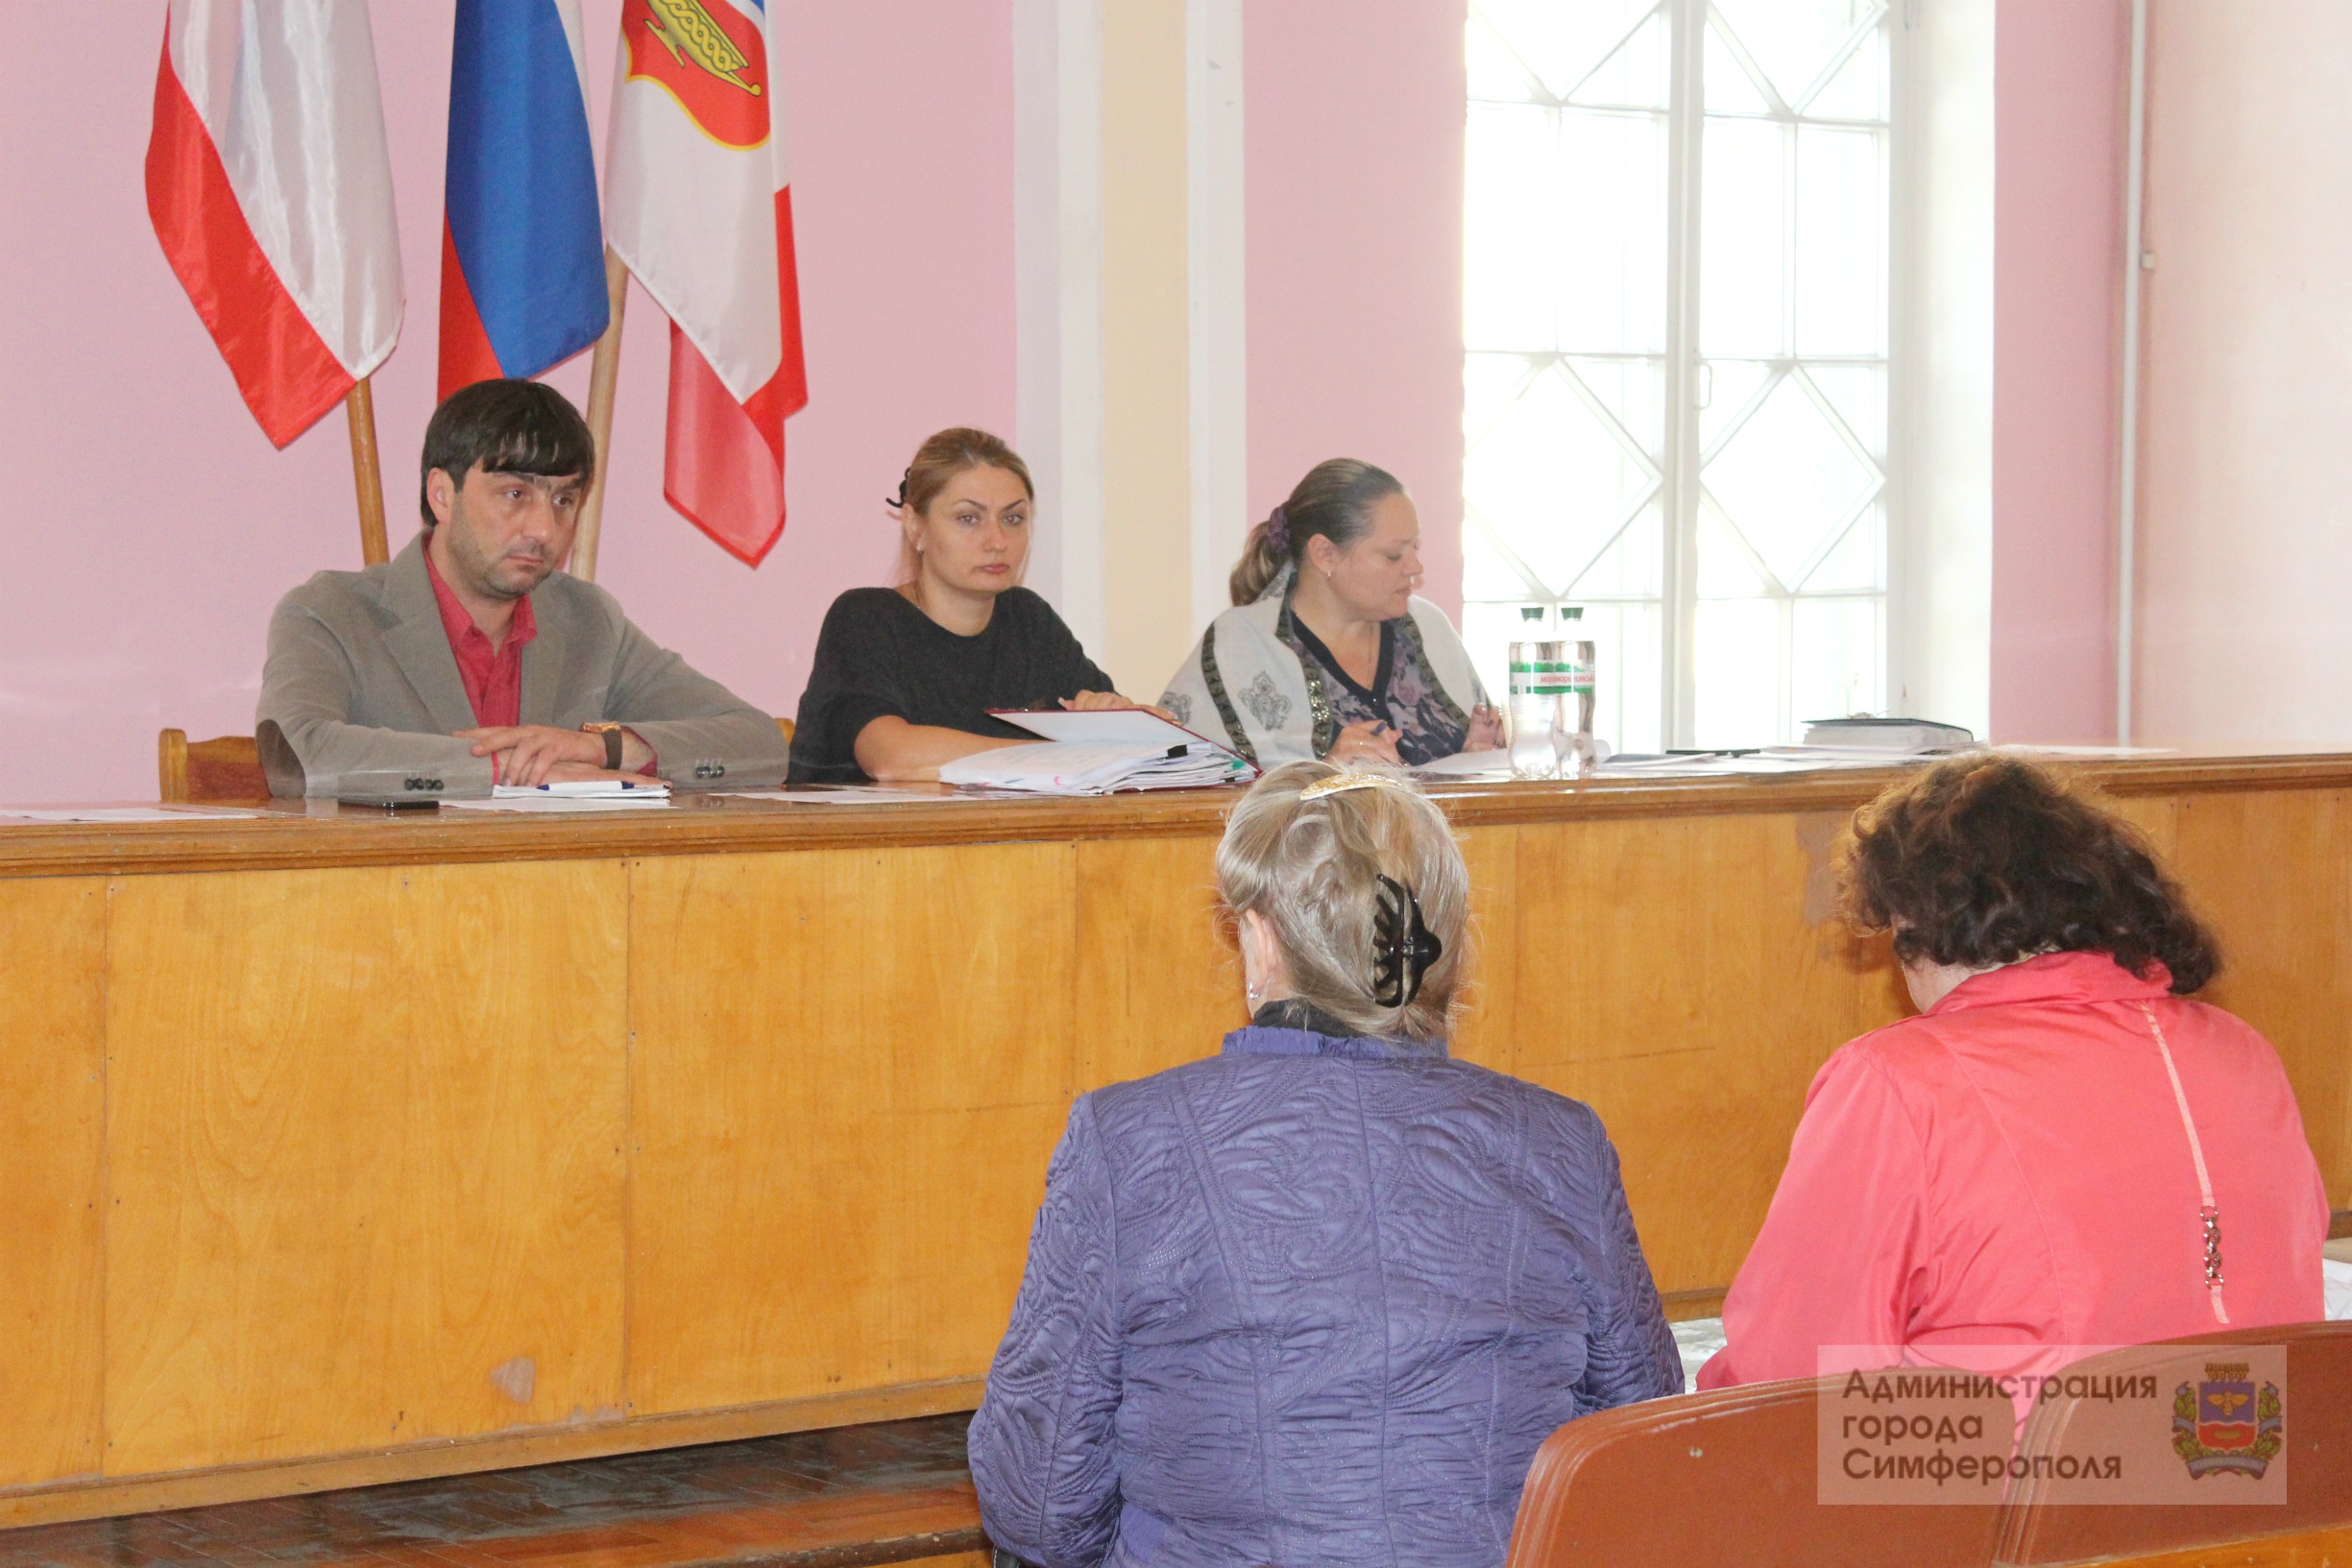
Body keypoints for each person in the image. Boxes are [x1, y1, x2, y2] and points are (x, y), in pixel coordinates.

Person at [969, 762, 1680, 1568]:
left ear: (1261, 937)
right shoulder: (1560, 1139)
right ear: (1440, 941)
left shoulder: (1125, 1136)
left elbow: (1037, 1500)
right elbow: (1643, 1438)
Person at [1700, 756, 2326, 1391]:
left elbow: (1788, 1374)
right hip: (2249, 1439)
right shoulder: (2242, 1050)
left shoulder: (1896, 1079)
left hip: (2011, 1452)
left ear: (1915, 920)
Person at [256, 379, 788, 798]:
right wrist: (511, 771)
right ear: (442, 495)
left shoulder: (588, 620)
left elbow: (760, 745)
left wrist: (602, 749)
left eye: (563, 501)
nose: (544, 529)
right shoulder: (331, 612)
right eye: (515, 494)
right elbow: (296, 757)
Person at [788, 427, 1149, 784]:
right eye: (968, 518)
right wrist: (1067, 755)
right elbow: (892, 759)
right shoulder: (866, 617)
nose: (997, 541)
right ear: (915, 526)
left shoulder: (1029, 620)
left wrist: (1120, 725)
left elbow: (1134, 746)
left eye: (1013, 518)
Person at [1159, 460, 1502, 769]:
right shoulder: (1240, 645)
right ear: (1325, 554)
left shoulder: (1429, 628)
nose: (1415, 567)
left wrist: (1474, 756)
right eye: (1393, 555)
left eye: (1415, 547)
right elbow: (1190, 787)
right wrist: (1324, 774)